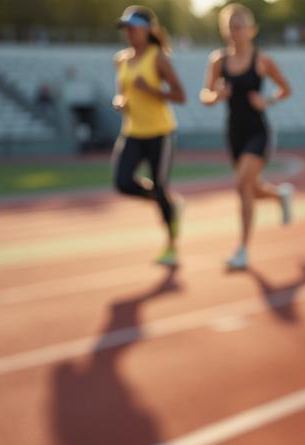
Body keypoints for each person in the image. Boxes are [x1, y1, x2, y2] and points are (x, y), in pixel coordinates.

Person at [200, 4, 295, 271]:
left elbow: (285, 89)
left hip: (258, 131)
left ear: (251, 30)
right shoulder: (218, 61)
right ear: (224, 30)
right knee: (251, 189)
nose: (235, 31)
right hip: (234, 132)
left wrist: (267, 101)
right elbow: (205, 95)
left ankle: (242, 249)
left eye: (240, 25)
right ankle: (279, 196)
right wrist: (216, 96)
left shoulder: (261, 60)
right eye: (230, 26)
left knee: (242, 184)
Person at [112, 5, 186, 266]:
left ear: (146, 30)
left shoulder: (158, 58)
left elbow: (180, 95)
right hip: (132, 131)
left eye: (133, 28)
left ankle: (171, 245)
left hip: (160, 132)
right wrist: (120, 102)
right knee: (122, 182)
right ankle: (167, 203)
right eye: (126, 29)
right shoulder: (120, 59)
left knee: (160, 183)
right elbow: (122, 91)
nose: (129, 33)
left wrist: (152, 91)